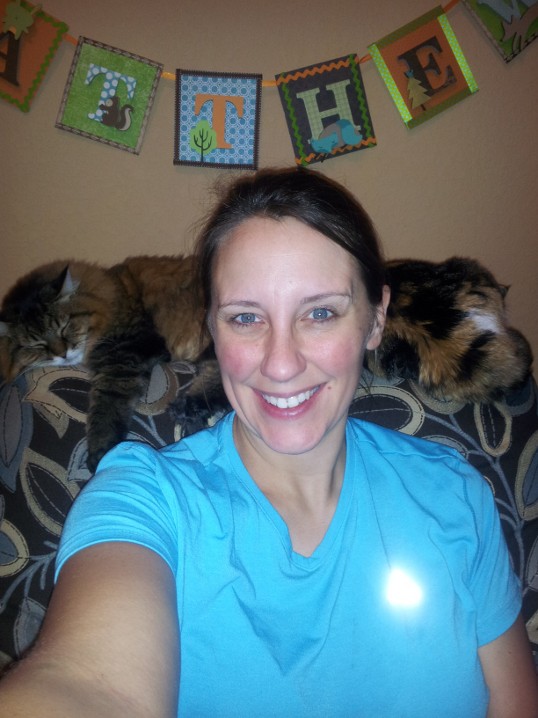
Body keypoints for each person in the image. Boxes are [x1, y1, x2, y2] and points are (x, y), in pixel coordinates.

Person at [0, 167, 536, 718]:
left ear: (376, 320)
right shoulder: (142, 498)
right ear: (211, 327)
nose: (281, 364)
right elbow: (89, 683)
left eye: (320, 313)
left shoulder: (456, 492)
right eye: (246, 318)